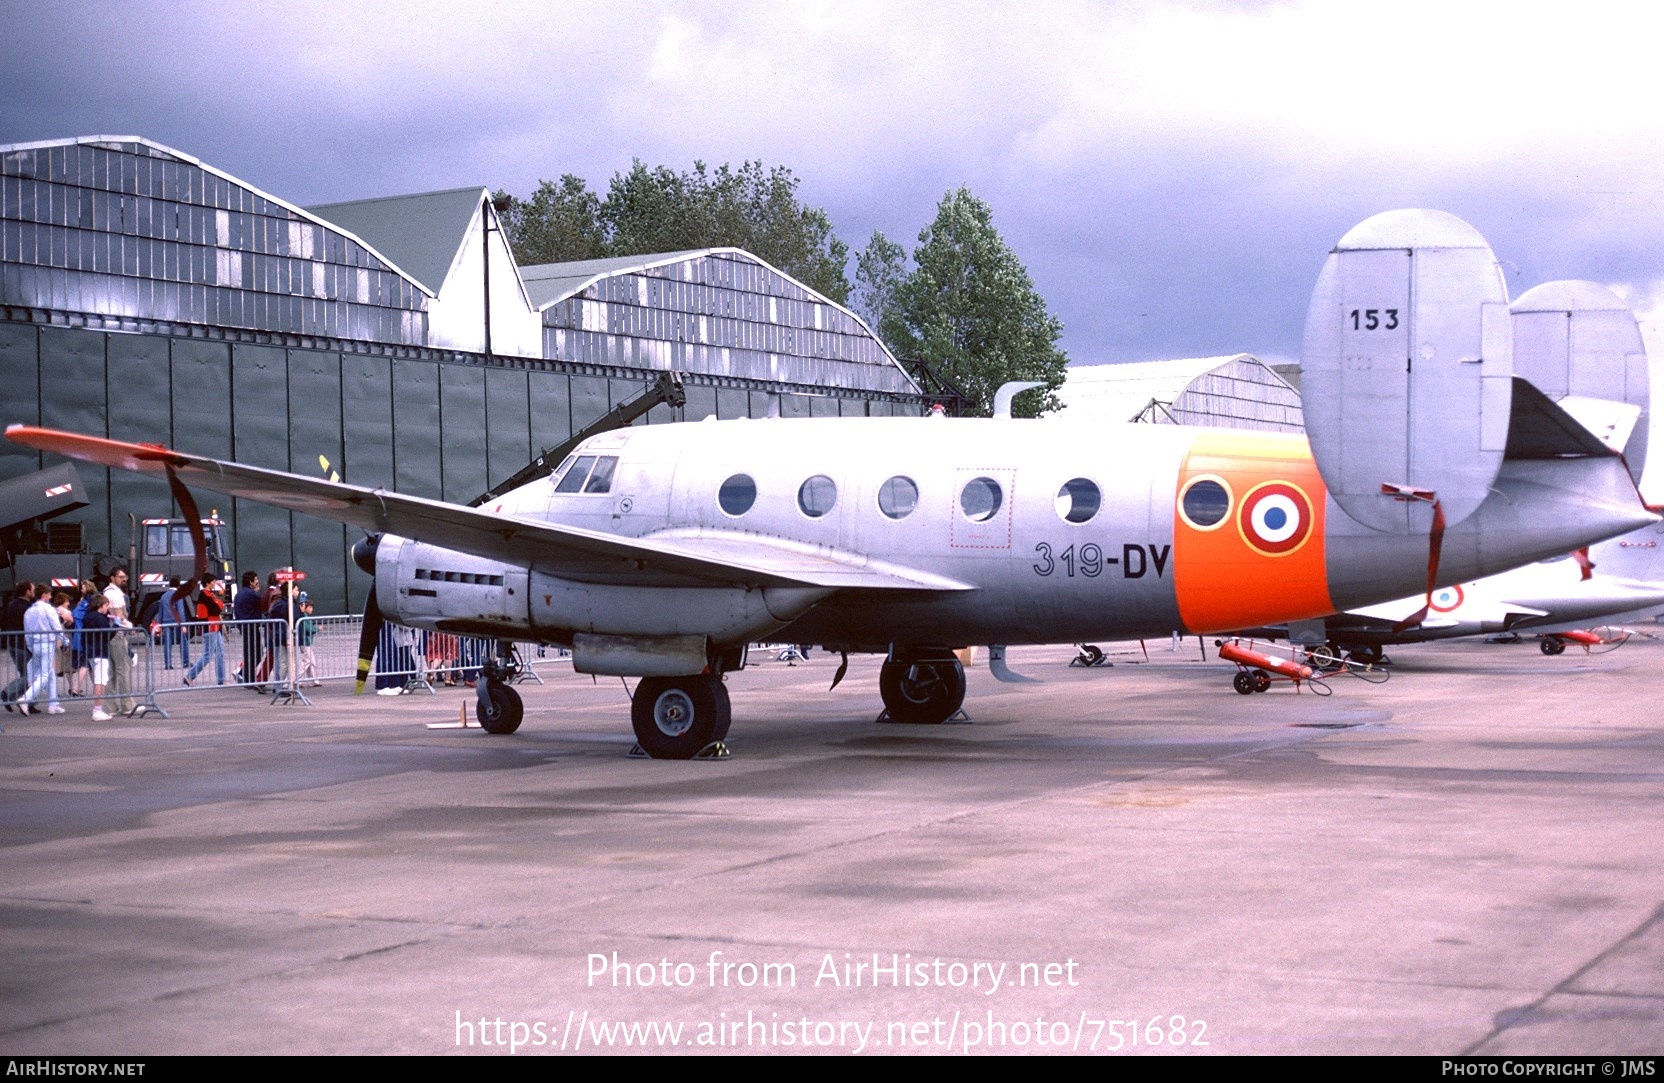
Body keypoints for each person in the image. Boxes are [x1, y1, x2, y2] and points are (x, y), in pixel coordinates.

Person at [22, 583, 67, 715]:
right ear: (44, 595)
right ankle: (26, 698)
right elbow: (56, 626)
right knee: (46, 674)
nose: (51, 596)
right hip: (47, 643)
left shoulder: (29, 611)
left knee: (50, 674)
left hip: (35, 644)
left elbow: (27, 632)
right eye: (49, 594)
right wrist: (65, 640)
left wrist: (30, 646)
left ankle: (53, 703)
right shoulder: (48, 609)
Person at [102, 568, 135, 715]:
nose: (124, 579)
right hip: (117, 634)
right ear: (112, 578)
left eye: (124, 576)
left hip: (112, 634)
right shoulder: (113, 594)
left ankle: (111, 707)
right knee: (123, 669)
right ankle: (127, 705)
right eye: (121, 577)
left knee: (114, 671)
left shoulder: (110, 592)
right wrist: (130, 626)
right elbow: (119, 617)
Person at [183, 576, 226, 687]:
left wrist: (218, 603)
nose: (214, 583)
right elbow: (216, 608)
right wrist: (219, 603)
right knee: (208, 655)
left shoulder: (208, 595)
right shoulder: (205, 595)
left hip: (214, 627)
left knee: (220, 654)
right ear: (208, 583)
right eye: (213, 582)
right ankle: (189, 676)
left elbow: (216, 607)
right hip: (211, 627)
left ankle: (221, 680)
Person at [82, 593, 115, 721]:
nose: (107, 608)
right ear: (101, 605)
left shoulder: (88, 616)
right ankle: (97, 709)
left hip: (91, 650)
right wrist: (116, 626)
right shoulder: (100, 619)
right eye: (106, 605)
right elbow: (107, 636)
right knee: (100, 682)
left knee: (98, 680)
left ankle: (98, 709)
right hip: (100, 651)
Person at [3, 581, 36, 710]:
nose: (34, 592)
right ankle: (7, 694)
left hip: (13, 642)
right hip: (22, 644)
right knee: (29, 675)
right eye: (32, 589)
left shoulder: (12, 604)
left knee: (27, 674)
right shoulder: (26, 607)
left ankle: (28, 702)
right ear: (27, 591)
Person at [232, 571, 262, 690]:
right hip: (252, 626)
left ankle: (246, 676)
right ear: (251, 582)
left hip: (243, 627)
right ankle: (245, 676)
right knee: (256, 653)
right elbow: (263, 602)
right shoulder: (251, 594)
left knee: (249, 653)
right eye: (256, 580)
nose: (257, 582)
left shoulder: (238, 595)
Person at [157, 577, 190, 669]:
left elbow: (160, 611)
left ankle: (168, 664)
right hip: (177, 622)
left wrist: (160, 624)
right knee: (183, 641)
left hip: (166, 622)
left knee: (167, 643)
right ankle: (185, 662)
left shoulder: (163, 596)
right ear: (178, 585)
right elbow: (180, 611)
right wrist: (183, 624)